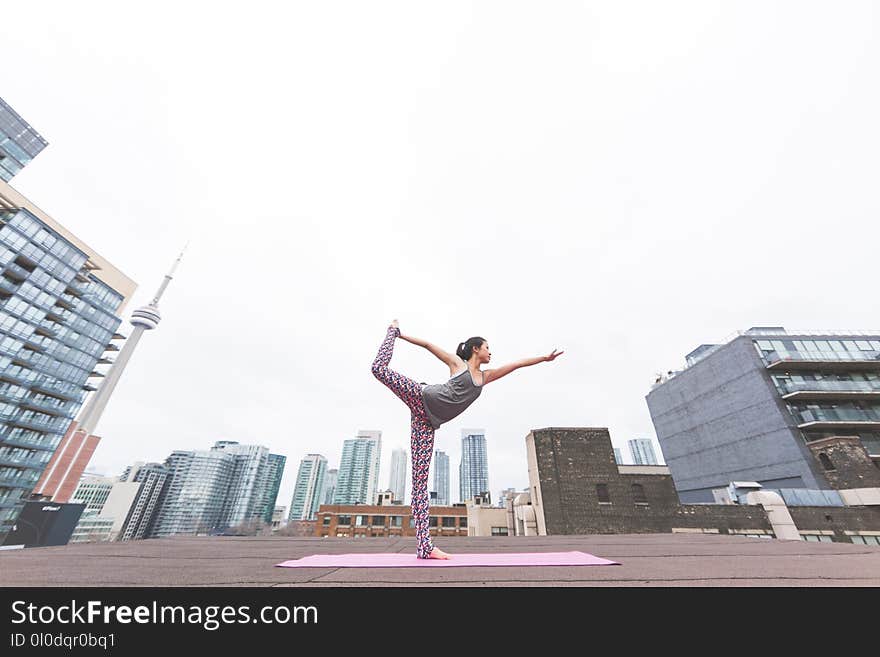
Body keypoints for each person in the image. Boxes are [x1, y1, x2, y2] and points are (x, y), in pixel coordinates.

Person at [371, 319, 563, 559]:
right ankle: (390, 331)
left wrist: (543, 359)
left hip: (427, 422)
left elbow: (515, 365)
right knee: (378, 369)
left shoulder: (485, 377)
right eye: (487, 347)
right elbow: (429, 345)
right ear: (476, 349)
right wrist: (399, 335)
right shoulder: (457, 364)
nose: (490, 352)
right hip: (421, 396)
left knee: (419, 483)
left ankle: (425, 547)